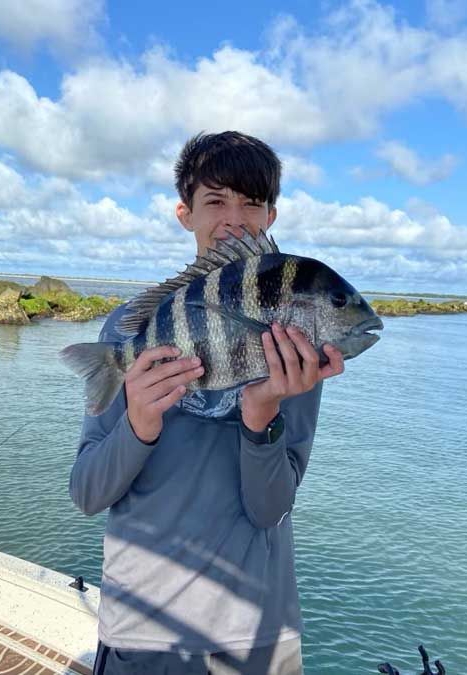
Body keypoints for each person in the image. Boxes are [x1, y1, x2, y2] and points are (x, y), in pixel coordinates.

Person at [69, 131, 345, 675]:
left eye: (252, 203)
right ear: (184, 213)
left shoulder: (296, 340)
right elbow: (87, 492)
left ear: (271, 215)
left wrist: (261, 420)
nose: (235, 219)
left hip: (257, 632)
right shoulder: (133, 327)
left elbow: (271, 508)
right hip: (141, 627)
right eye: (216, 201)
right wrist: (140, 424)